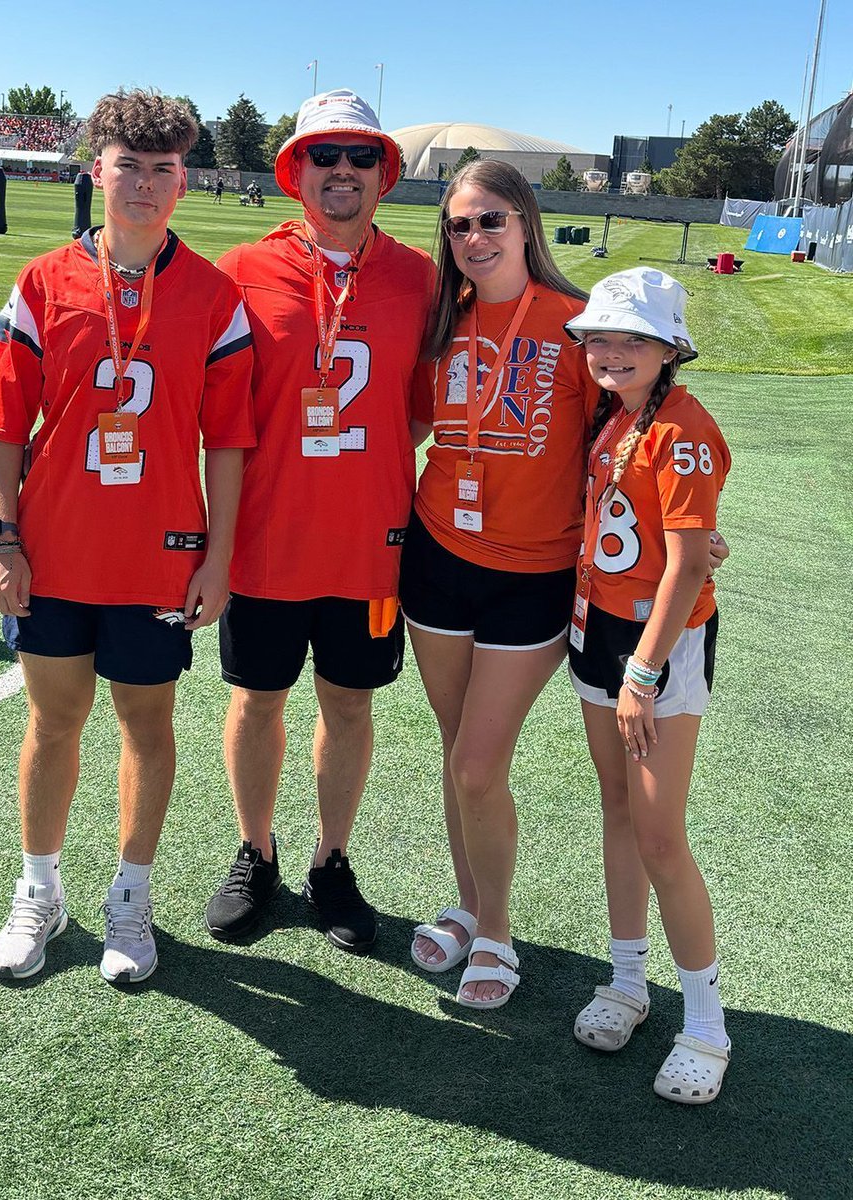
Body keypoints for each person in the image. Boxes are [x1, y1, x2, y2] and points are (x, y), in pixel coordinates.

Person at [0, 90, 255, 985]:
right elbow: (4, 424)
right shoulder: (45, 282)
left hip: (159, 556)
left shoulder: (213, 294)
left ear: (183, 183)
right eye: (129, 164)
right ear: (99, 172)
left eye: (164, 168)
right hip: (53, 552)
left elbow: (230, 440)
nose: (145, 182)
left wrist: (219, 557)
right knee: (54, 723)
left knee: (146, 724)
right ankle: (39, 889)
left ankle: (131, 895)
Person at [205, 89, 434, 952]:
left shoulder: (419, 276)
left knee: (349, 704)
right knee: (257, 697)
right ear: (295, 169)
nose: (343, 169)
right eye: (325, 154)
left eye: (361, 155)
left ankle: (331, 860)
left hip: (369, 543)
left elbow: (421, 409)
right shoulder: (240, 268)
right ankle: (255, 853)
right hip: (266, 540)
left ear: (385, 172)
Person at [403, 160, 596, 1008]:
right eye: (457, 226)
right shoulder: (442, 322)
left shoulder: (582, 325)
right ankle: (471, 905)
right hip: (438, 558)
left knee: (481, 765)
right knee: (457, 756)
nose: (473, 238)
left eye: (488, 221)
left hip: (534, 574)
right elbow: (410, 424)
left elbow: (634, 432)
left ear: (525, 222)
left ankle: (499, 933)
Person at [564, 268, 732, 1104]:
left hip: (654, 648)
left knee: (661, 833)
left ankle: (705, 1023)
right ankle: (628, 980)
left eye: (631, 338)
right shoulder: (619, 418)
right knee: (620, 813)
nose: (610, 351)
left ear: (669, 348)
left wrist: (642, 672)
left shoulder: (683, 428)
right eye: (599, 335)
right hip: (599, 631)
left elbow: (687, 562)